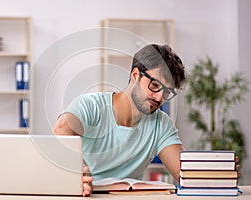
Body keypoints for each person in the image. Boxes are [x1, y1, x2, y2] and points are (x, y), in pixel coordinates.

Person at [53, 44, 186, 196]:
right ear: (135, 75)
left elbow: (185, 174)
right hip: (87, 195)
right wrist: (79, 170)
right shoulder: (92, 106)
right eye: (155, 85)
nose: (159, 97)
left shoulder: (161, 124)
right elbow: (61, 130)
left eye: (167, 92)